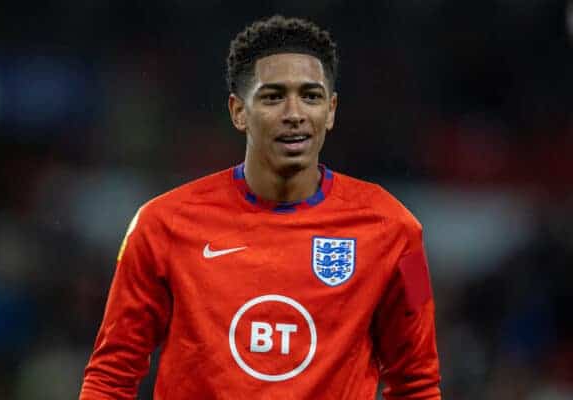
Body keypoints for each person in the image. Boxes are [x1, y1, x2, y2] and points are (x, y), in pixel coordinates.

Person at [80, 15, 441, 399]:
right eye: (273, 96)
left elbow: (418, 382)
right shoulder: (159, 225)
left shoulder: (400, 232)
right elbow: (111, 375)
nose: (295, 113)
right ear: (238, 111)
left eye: (311, 96)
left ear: (331, 110)